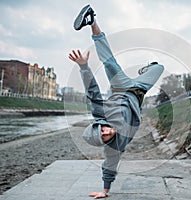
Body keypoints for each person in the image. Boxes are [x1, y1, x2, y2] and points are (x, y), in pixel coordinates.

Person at [68, 5, 164, 199]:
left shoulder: (100, 115)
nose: (107, 131)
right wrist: (105, 191)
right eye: (104, 136)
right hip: (138, 92)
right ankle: (148, 70)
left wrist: (84, 67)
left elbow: (93, 92)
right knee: (160, 67)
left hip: (121, 87)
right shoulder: (114, 147)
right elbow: (109, 166)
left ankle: (92, 20)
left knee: (109, 62)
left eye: (102, 129)